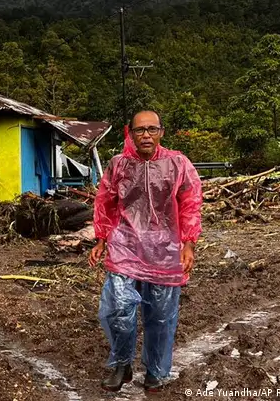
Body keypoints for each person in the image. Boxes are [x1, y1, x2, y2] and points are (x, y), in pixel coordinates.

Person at [88, 110, 203, 392]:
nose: (146, 135)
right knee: (118, 308)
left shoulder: (178, 163)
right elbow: (105, 201)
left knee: (160, 314)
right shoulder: (118, 165)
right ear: (130, 133)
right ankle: (122, 364)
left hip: (165, 248)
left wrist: (188, 243)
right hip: (125, 245)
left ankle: (155, 369)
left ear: (161, 132)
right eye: (140, 130)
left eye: (152, 129)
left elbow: (191, 202)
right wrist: (101, 238)